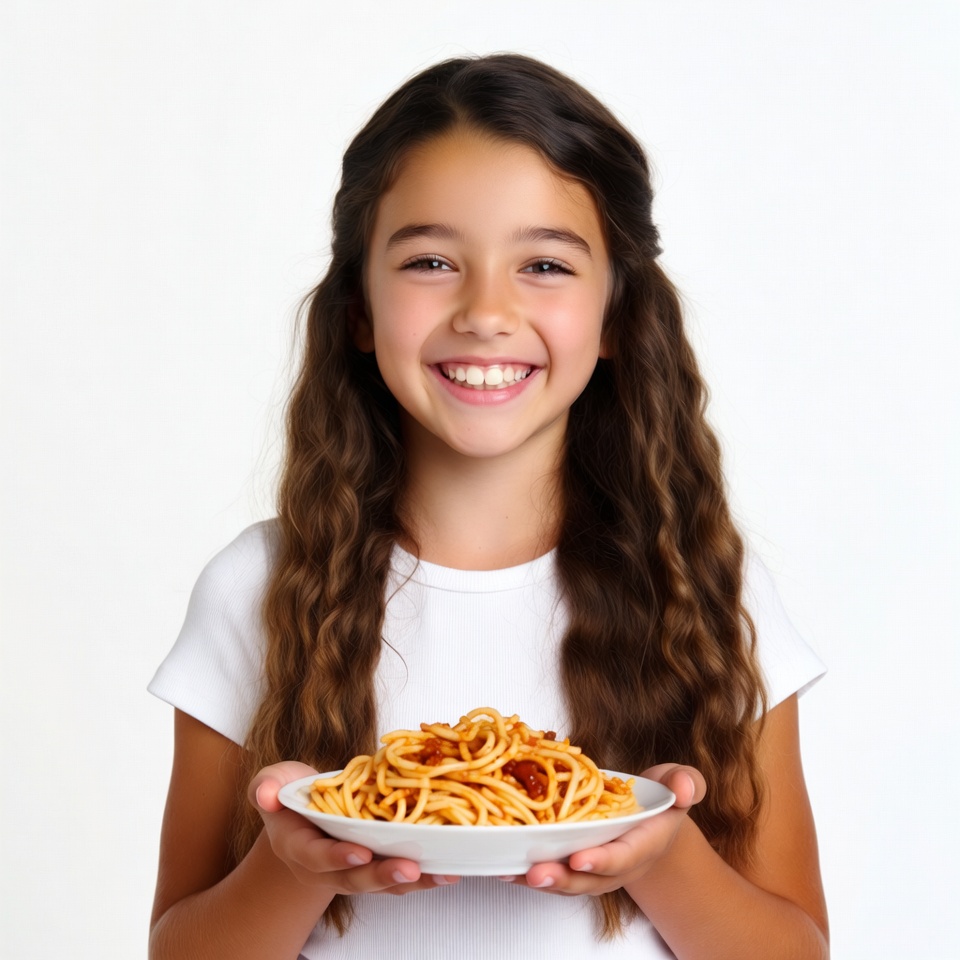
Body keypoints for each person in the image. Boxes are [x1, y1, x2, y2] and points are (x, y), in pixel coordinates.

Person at [148, 54, 829, 960]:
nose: (486, 312)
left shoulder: (705, 583)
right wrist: (296, 865)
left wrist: (662, 856)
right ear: (358, 309)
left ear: (617, 315)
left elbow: (796, 947)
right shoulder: (259, 587)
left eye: (544, 264)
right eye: (431, 261)